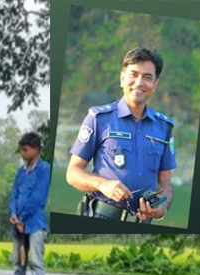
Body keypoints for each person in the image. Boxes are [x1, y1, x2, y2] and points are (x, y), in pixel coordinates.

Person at [67, 47, 175, 223]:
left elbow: (165, 183)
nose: (139, 83)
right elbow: (73, 173)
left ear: (155, 85)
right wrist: (103, 184)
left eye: (147, 77)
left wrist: (163, 208)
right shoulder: (99, 119)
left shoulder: (164, 127)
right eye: (133, 74)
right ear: (122, 78)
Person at [0, 133, 49, 275]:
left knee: (36, 261)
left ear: (35, 149)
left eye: (25, 149)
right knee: (18, 262)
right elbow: (14, 194)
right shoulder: (21, 172)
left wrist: (23, 219)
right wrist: (13, 214)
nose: (22, 153)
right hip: (18, 224)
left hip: (34, 223)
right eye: (21, 149)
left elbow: (38, 197)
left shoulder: (44, 170)